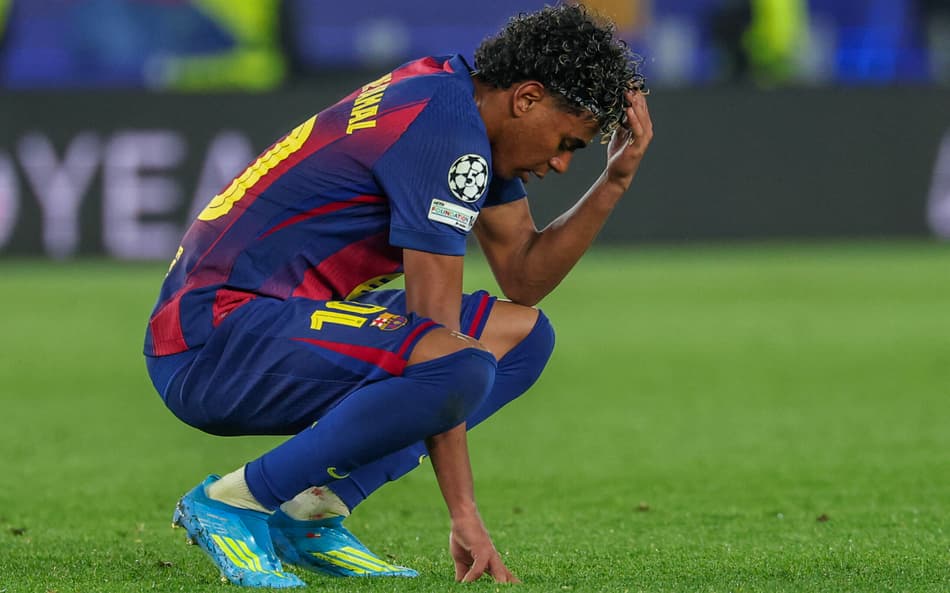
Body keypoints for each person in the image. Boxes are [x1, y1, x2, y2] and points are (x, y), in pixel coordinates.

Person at [144, 4, 652, 588]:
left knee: (522, 337)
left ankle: (312, 512)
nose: (561, 164)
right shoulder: (447, 137)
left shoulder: (455, 100)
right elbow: (440, 345)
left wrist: (614, 180)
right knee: (457, 362)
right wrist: (464, 513)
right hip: (213, 340)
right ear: (527, 98)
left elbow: (524, 277)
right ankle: (235, 501)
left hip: (258, 323)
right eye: (566, 142)